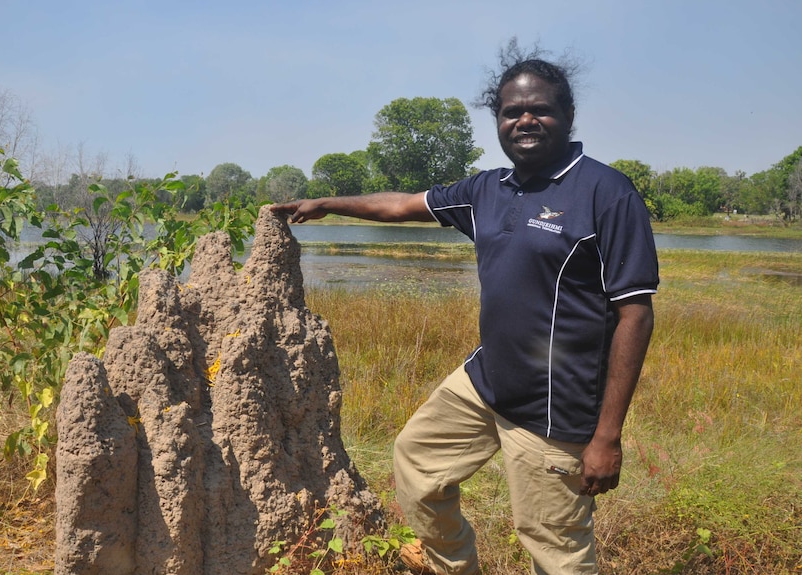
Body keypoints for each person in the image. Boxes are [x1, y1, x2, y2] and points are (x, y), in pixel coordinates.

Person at [272, 52, 658, 575]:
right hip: (485, 382)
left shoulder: (605, 193)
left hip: (554, 409)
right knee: (416, 464)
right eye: (509, 112)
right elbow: (401, 205)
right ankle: (453, 566)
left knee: (553, 546)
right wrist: (328, 202)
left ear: (567, 114)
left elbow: (634, 313)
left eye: (539, 109)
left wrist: (607, 436)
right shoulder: (487, 190)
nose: (523, 120)